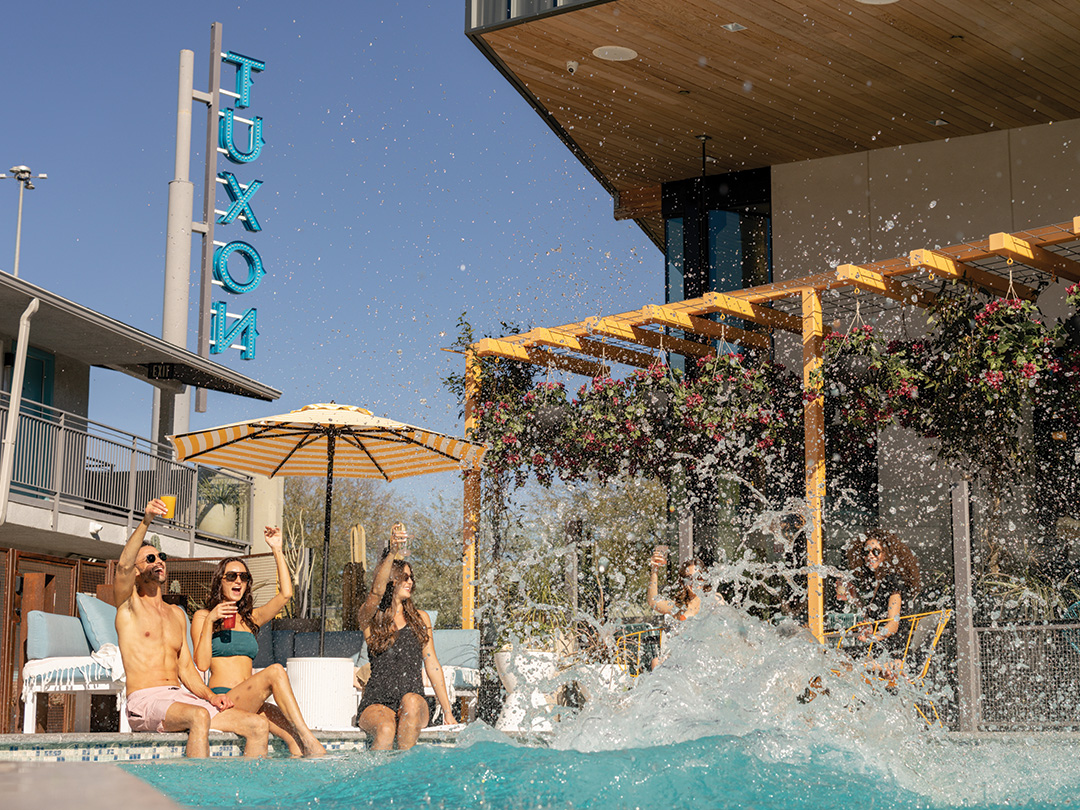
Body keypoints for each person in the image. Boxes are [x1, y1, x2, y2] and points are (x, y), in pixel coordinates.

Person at [114, 499, 270, 758]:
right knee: (198, 716)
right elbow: (122, 567)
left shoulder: (176, 614)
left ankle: (248, 794)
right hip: (145, 700)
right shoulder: (130, 608)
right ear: (138, 571)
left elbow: (186, 668)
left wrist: (211, 696)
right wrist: (146, 521)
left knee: (257, 725)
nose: (159, 561)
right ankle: (196, 791)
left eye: (161, 557)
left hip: (180, 698)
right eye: (150, 558)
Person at [191, 526, 326, 758]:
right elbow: (201, 664)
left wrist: (277, 550)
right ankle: (310, 738)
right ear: (220, 582)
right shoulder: (203, 617)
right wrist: (212, 618)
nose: (238, 581)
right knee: (275, 671)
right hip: (225, 700)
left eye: (243, 577)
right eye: (231, 576)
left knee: (295, 743)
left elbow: (285, 595)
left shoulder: (251, 618)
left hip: (253, 700)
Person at [355, 523, 456, 750]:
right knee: (386, 729)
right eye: (404, 577)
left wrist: (447, 711)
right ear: (391, 580)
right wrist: (392, 551)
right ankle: (377, 782)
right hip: (376, 702)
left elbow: (432, 664)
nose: (410, 581)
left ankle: (403, 778)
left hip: (415, 703)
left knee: (409, 701)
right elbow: (375, 592)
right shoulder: (370, 618)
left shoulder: (420, 619)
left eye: (412, 578)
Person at [836, 527, 921, 658]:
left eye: (876, 551)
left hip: (893, 653)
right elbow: (875, 621)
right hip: (879, 650)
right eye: (866, 552)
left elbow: (893, 625)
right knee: (834, 655)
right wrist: (854, 597)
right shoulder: (877, 584)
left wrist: (872, 638)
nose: (870, 555)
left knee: (836, 658)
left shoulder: (893, 581)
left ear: (887, 554)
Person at [645, 553, 717, 669]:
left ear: (704, 578)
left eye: (698, 577)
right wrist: (654, 571)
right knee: (656, 661)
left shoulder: (713, 601)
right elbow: (653, 602)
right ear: (683, 581)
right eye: (689, 578)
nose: (694, 582)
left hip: (707, 661)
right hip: (684, 662)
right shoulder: (679, 607)